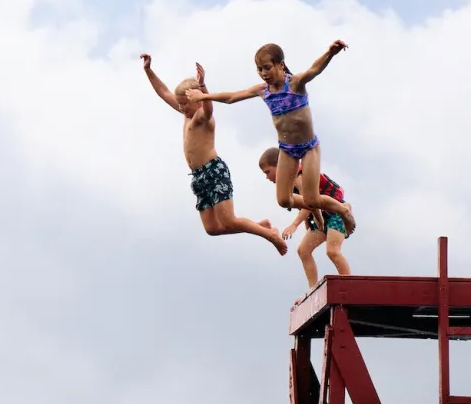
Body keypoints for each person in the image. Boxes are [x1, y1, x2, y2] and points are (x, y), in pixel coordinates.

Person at [189, 41, 356, 234]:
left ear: (281, 65)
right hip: (287, 149)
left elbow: (314, 70)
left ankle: (343, 209)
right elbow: (232, 97)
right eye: (259, 69)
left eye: (267, 68)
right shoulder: (263, 91)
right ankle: (325, 210)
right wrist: (203, 96)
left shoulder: (294, 83)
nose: (263, 73)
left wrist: (330, 53)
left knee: (312, 199)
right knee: (283, 200)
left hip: (309, 147)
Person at [140, 54, 286, 255]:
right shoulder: (187, 113)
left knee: (229, 220)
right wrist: (148, 70)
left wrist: (203, 88)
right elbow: (163, 92)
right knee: (212, 229)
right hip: (199, 176)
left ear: (197, 100)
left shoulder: (202, 116)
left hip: (213, 171)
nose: (180, 108)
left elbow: (209, 107)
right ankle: (261, 226)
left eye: (184, 104)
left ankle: (270, 235)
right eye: (180, 104)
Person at [261, 148, 353, 289]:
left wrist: (294, 225)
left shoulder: (298, 178)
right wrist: (307, 228)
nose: (267, 177)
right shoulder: (287, 186)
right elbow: (304, 208)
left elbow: (308, 204)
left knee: (332, 251)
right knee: (303, 250)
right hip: (321, 216)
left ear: (279, 165)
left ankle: (349, 285)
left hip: (336, 213)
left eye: (268, 172)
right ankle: (312, 289)